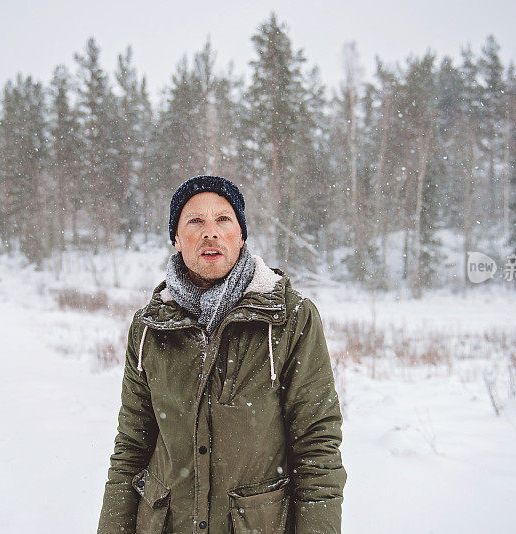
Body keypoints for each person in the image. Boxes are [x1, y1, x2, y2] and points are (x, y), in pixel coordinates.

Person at [97, 175, 346, 534]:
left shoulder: (291, 318)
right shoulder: (149, 326)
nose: (209, 232)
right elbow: (131, 447)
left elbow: (317, 445)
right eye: (195, 221)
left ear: (241, 235)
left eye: (223, 220)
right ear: (177, 238)